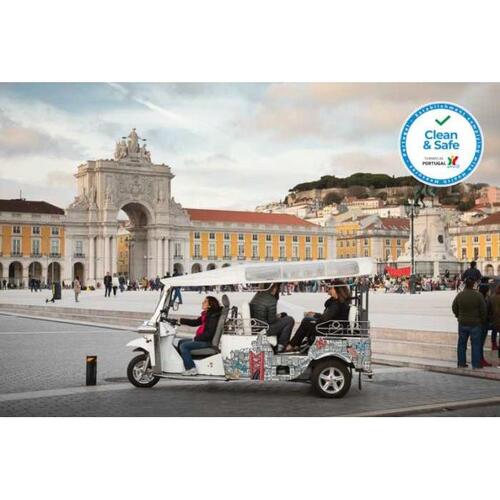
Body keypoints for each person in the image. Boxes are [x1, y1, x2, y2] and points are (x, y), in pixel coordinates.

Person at [286, 279, 351, 351]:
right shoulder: (339, 302)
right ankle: (296, 344)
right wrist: (314, 315)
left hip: (330, 330)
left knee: (306, 321)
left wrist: (314, 316)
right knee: (309, 320)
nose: (329, 291)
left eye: (331, 288)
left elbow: (324, 319)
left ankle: (292, 345)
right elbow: (328, 317)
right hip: (332, 327)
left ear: (337, 289)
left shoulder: (336, 304)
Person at [176, 296, 222, 375]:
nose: (202, 303)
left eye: (205, 302)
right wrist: (181, 320)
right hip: (204, 339)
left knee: (184, 346)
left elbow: (209, 333)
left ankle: (191, 368)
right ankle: (186, 362)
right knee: (180, 342)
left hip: (207, 341)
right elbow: (195, 322)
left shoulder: (212, 317)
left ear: (209, 305)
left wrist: (197, 338)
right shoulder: (208, 315)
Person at [452, 277, 486, 369]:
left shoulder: (460, 295)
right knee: (476, 344)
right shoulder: (478, 295)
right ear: (473, 284)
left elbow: (454, 307)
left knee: (462, 344)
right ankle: (476, 364)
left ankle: (461, 363)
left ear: (465, 284)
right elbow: (483, 310)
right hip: (475, 323)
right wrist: (482, 320)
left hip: (463, 322)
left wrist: (458, 316)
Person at [250, 283, 295, 353]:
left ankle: (281, 344)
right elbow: (271, 320)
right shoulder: (271, 299)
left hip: (258, 325)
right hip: (265, 328)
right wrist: (278, 317)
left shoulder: (257, 295)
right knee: (290, 319)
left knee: (284, 316)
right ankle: (281, 346)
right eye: (276, 288)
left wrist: (279, 316)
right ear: (273, 288)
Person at [489, 283, 500, 353]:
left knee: (494, 332)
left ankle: (494, 345)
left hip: (493, 318)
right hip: (497, 318)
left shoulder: (492, 296)